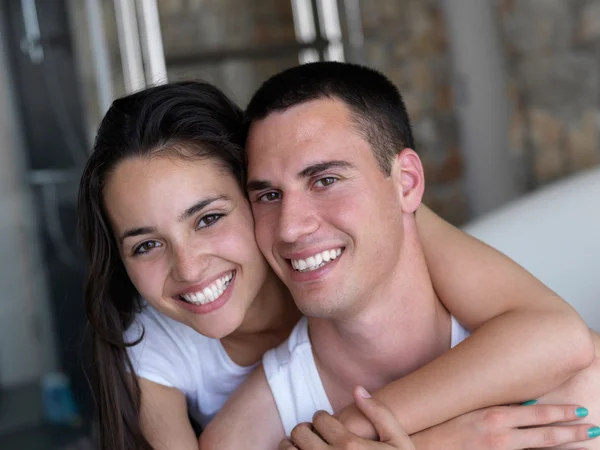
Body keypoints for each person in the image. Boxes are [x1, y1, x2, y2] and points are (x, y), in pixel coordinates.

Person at [78, 79, 592, 450]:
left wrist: (353, 431)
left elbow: (555, 337)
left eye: (209, 218)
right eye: (145, 244)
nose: (189, 267)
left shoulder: (387, 216)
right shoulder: (161, 357)